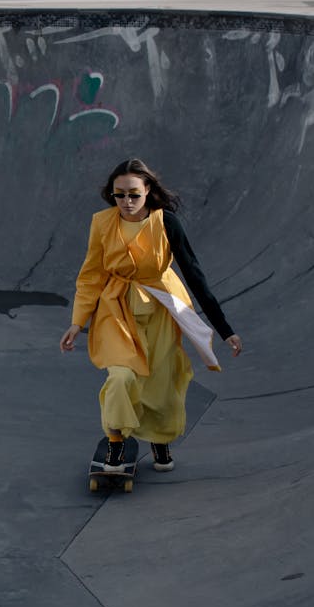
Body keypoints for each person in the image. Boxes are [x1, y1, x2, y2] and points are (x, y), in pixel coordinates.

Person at [60, 158, 242, 472]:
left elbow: (195, 276)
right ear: (111, 195)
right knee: (121, 377)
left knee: (160, 381)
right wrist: (77, 323)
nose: (126, 202)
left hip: (160, 309)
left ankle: (159, 439)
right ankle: (115, 446)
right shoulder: (103, 223)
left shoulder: (166, 222)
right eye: (119, 195)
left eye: (133, 194)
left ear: (148, 191)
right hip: (116, 310)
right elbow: (91, 275)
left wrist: (225, 330)